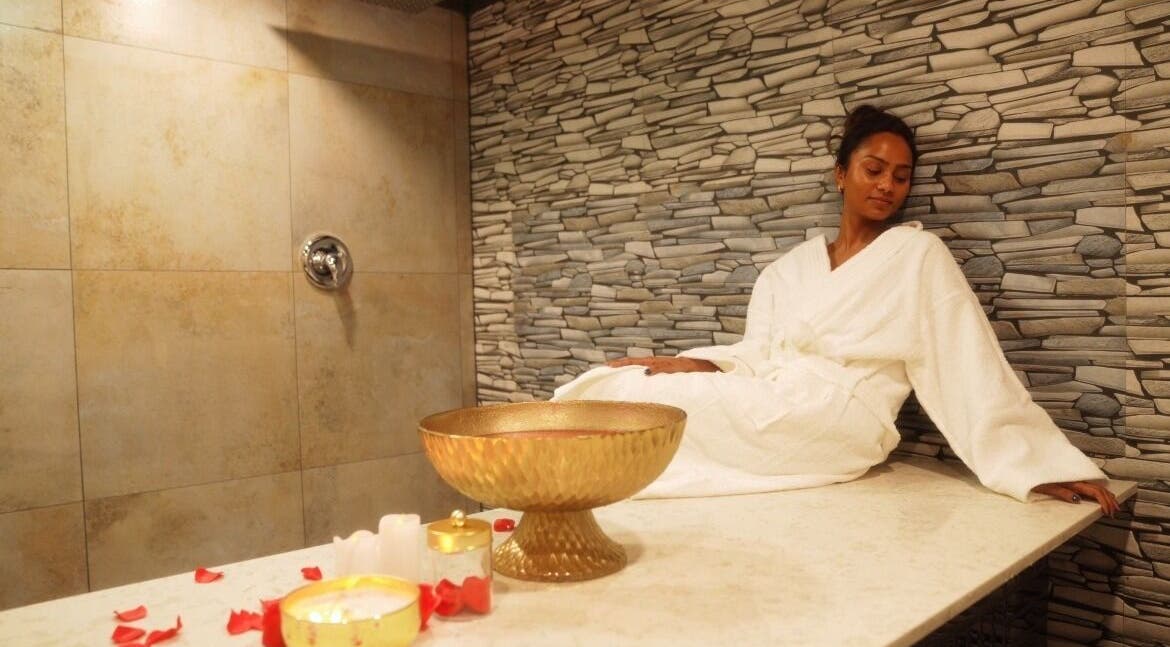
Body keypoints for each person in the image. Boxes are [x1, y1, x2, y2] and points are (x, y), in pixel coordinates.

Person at [553, 105, 1120, 516]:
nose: (888, 186)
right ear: (841, 173)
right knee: (623, 383)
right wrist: (698, 362)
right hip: (778, 395)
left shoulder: (916, 255)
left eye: (901, 177)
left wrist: (1036, 464)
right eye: (874, 169)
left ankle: (570, 480)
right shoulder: (789, 268)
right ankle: (561, 485)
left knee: (663, 410)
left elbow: (966, 360)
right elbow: (758, 354)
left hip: (843, 416)